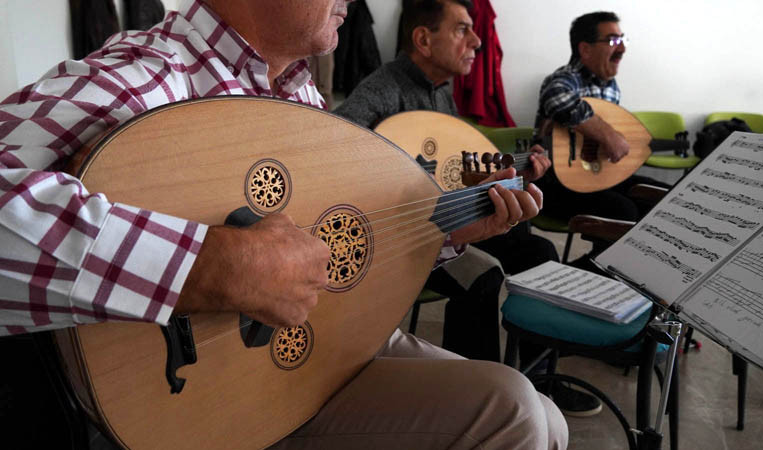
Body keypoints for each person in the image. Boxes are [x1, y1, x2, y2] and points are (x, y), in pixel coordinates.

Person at [0, 0, 567, 448]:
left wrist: (442, 233)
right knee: (511, 409)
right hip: (218, 399)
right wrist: (212, 265)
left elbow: (335, 245)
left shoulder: (302, 95)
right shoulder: (144, 78)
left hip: (322, 344)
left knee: (549, 418)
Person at [335, 0, 599, 418]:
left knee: (538, 251)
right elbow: (337, 149)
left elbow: (454, 167)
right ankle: (470, 404)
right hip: (405, 232)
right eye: (461, 30)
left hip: (449, 217)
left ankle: (541, 378)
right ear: (423, 39)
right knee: (483, 275)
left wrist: (511, 173)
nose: (477, 41)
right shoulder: (383, 89)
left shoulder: (441, 92)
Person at [534, 11, 667, 226]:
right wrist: (608, 135)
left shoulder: (612, 89)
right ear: (585, 49)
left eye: (623, 40)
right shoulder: (563, 79)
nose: (622, 48)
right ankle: (593, 261)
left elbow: (601, 145)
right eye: (614, 40)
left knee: (659, 195)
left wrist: (608, 142)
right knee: (623, 211)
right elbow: (557, 100)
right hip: (553, 182)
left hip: (595, 176)